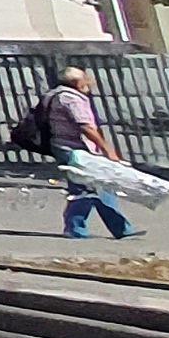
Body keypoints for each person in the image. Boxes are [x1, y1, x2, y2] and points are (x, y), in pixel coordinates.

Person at [24, 63, 141, 240]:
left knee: (99, 186)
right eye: (86, 78)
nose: (90, 82)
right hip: (75, 150)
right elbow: (86, 127)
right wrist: (108, 150)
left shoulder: (56, 94)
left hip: (67, 147)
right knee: (84, 189)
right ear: (77, 82)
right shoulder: (71, 98)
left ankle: (119, 228)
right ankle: (76, 228)